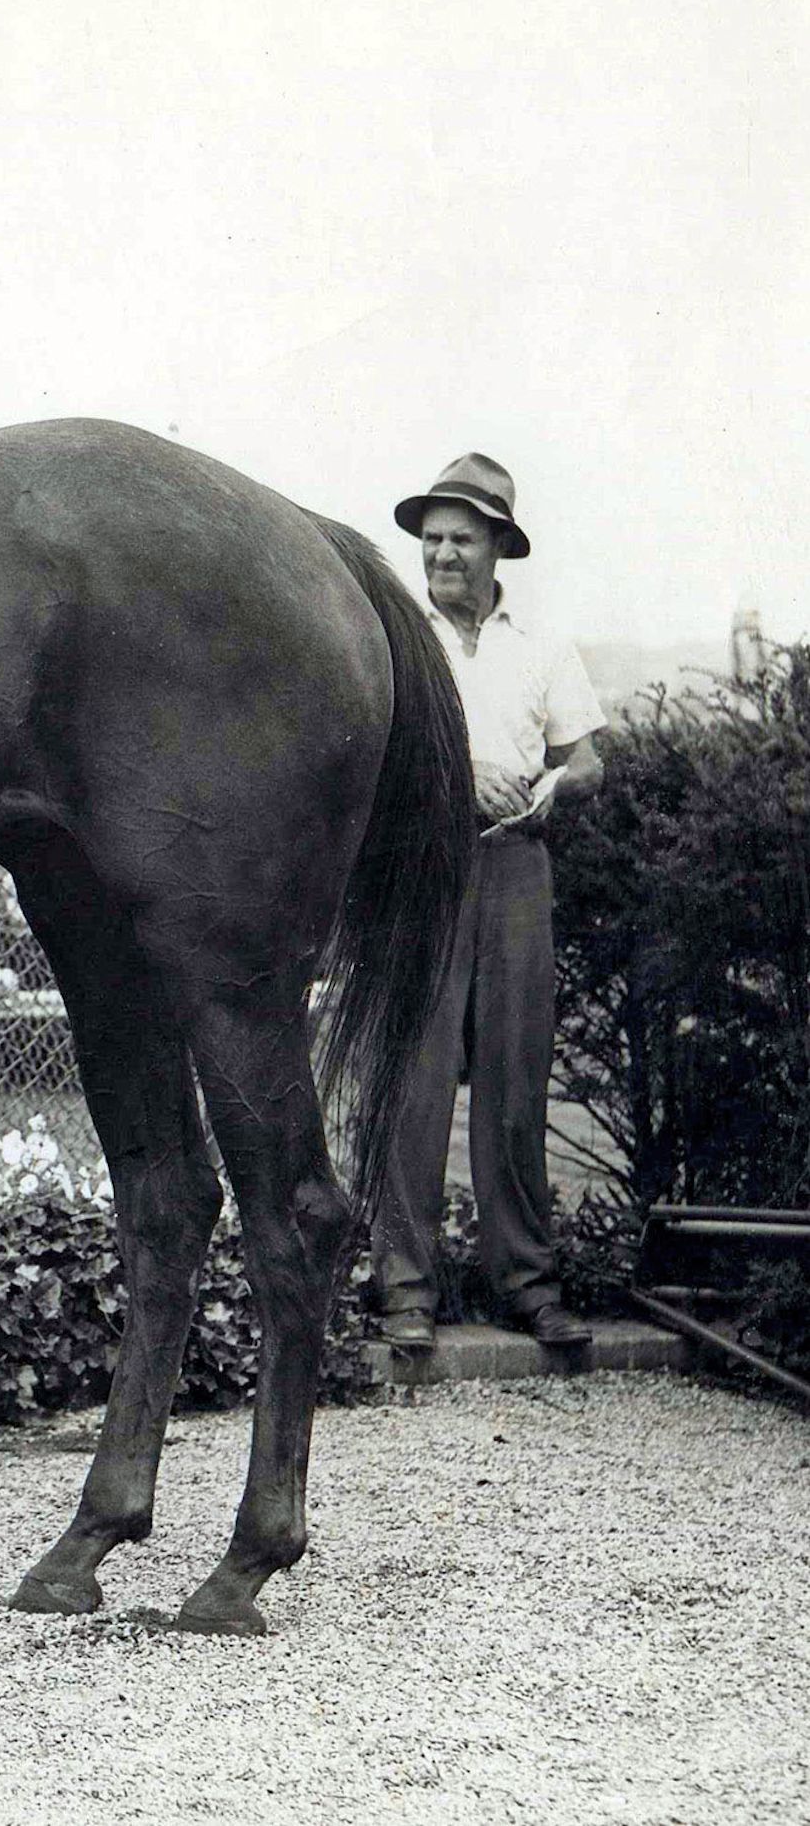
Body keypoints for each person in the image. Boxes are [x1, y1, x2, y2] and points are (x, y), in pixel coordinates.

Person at [374, 454, 606, 1356]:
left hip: (516, 867)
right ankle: (405, 1291)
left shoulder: (542, 645)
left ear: (500, 547)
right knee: (415, 1079)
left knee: (516, 1077)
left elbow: (588, 758)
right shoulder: (401, 635)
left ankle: (528, 1285)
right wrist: (455, 775)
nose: (442, 555)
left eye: (461, 539)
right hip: (421, 869)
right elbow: (375, 742)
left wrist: (553, 783)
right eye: (432, 538)